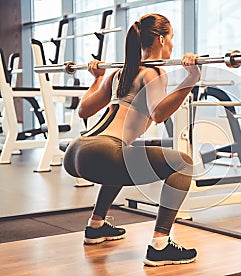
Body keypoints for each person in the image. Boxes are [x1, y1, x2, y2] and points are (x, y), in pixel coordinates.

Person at [63, 13, 200, 266]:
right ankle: (160, 245)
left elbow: (84, 111)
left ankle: (96, 225)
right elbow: (159, 114)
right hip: (103, 151)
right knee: (183, 163)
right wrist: (191, 79)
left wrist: (95, 80)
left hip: (76, 151)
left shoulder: (119, 72)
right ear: (161, 39)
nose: (172, 46)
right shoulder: (154, 73)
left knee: (126, 154)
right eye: (171, 39)